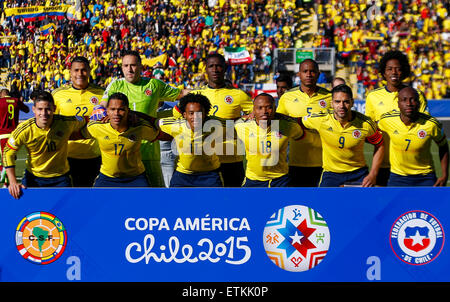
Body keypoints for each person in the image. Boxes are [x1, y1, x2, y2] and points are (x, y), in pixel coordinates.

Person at [98, 50, 190, 187]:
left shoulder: (154, 85)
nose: (129, 69)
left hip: (149, 150)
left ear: (141, 66)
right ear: (122, 67)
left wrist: (206, 93)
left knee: (154, 194)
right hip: (123, 152)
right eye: (126, 65)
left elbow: (182, 93)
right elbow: (102, 107)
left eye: (133, 65)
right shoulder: (116, 85)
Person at [173, 53, 253, 187]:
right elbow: (177, 115)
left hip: (231, 157)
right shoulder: (197, 95)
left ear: (225, 68)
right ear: (206, 69)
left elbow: (256, 115)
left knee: (231, 201)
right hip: (205, 161)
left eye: (218, 66)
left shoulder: (239, 95)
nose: (215, 69)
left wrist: (243, 119)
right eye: (211, 66)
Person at [2, 91, 87, 199]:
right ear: (34, 110)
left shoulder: (66, 122)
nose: (44, 113)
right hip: (33, 178)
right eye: (40, 109)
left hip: (61, 178)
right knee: (30, 212)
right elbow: (7, 152)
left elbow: (85, 120)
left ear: (54, 109)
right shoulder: (25, 130)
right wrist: (13, 181)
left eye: (48, 109)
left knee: (65, 212)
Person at [365, 50, 428, 186]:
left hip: (410, 165)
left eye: (398, 69)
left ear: (404, 71)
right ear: (383, 72)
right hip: (383, 163)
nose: (394, 72)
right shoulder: (373, 97)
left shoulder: (416, 95)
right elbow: (369, 131)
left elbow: (425, 127)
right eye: (390, 69)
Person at [301, 84, 384, 187]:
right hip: (331, 174)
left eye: (346, 102)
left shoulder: (366, 123)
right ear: (331, 103)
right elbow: (299, 122)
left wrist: (373, 174)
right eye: (337, 102)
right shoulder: (321, 119)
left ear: (352, 102)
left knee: (364, 203)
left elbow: (380, 145)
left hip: (358, 174)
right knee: (323, 202)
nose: (341, 106)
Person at [85, 92, 163, 187]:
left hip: (135, 178)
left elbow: (161, 136)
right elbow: (75, 132)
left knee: (144, 201)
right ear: (107, 111)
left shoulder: (140, 127)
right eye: (112, 109)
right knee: (95, 201)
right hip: (107, 178)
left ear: (128, 111)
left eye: (121, 110)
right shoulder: (96, 127)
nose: (116, 113)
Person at [276, 59, 332, 187]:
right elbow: (278, 125)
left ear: (318, 74)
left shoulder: (330, 97)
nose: (309, 74)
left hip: (324, 162)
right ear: (299, 74)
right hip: (294, 162)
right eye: (305, 71)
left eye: (312, 71)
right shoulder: (287, 97)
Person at [378, 87, 448, 187]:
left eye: (413, 99)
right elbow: (371, 134)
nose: (409, 103)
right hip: (397, 177)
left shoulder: (431, 124)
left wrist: (445, 175)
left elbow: (444, 146)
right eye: (404, 100)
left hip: (426, 177)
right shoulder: (386, 120)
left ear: (419, 103)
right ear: (398, 104)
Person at [52, 56, 104, 187]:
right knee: (69, 201)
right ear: (70, 72)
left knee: (94, 201)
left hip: (96, 157)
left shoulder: (102, 94)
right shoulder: (57, 95)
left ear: (89, 71)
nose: (80, 74)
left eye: (83, 70)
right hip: (66, 158)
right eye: (76, 70)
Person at [235, 93, 304, 187]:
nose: (264, 111)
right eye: (260, 108)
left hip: (280, 180)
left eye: (268, 107)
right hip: (253, 180)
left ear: (274, 109)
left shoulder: (289, 126)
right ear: (253, 110)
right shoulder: (241, 126)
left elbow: (300, 136)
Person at [159, 93, 223, 187]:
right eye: (191, 113)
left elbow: (238, 124)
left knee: (215, 201)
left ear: (205, 113)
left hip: (209, 176)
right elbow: (154, 122)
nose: (195, 117)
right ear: (184, 115)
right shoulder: (176, 125)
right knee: (174, 201)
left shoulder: (216, 124)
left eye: (199, 113)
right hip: (182, 176)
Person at [0, 88, 29, 184]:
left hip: (2, 134)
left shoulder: (0, 102)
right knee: (10, 158)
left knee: (4, 159)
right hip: (14, 135)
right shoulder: (15, 101)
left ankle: (5, 181)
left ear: (1, 95)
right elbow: (27, 110)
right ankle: (5, 181)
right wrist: (19, 103)